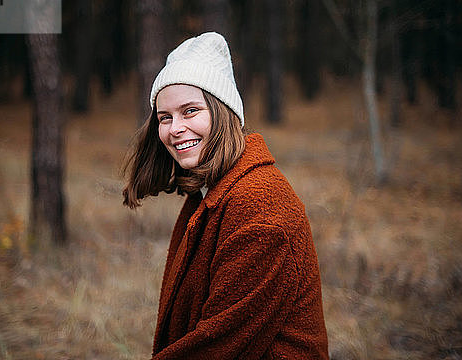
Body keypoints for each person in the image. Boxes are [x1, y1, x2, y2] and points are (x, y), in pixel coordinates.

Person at [123, 32, 328, 359]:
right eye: (165, 117)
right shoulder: (212, 190)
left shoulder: (261, 207)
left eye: (190, 111)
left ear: (223, 113)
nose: (175, 128)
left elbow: (217, 347)